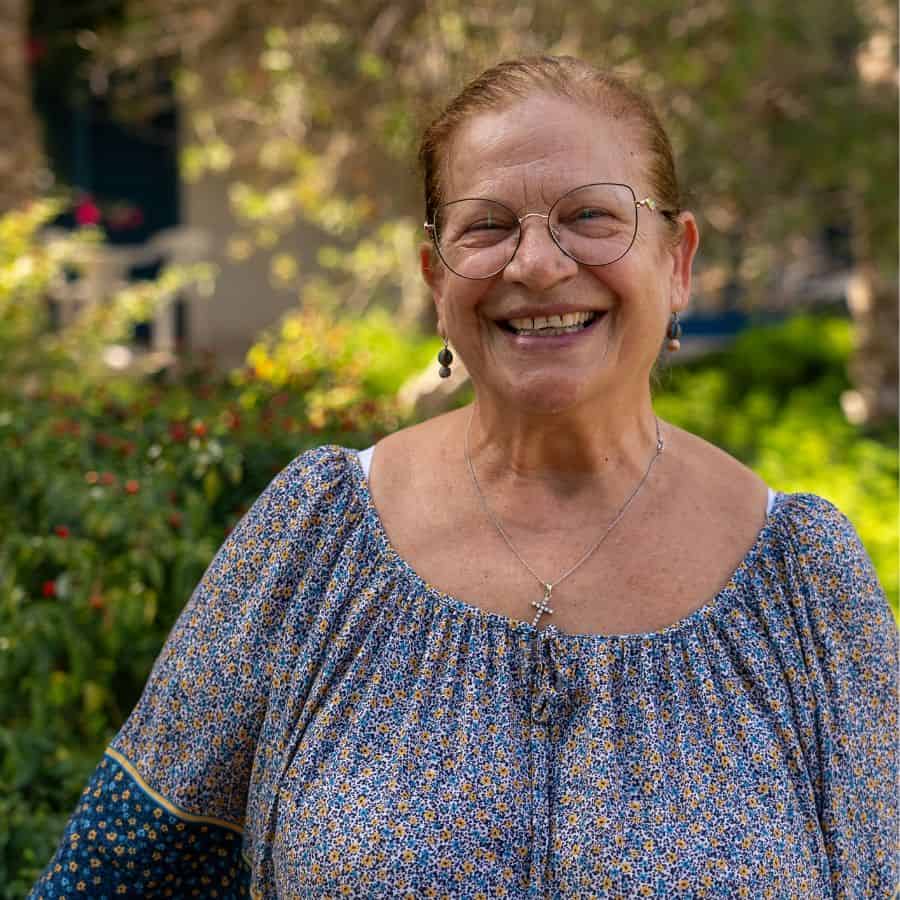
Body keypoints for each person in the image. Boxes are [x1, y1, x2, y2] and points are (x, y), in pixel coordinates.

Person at [30, 55, 897, 899]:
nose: (537, 264)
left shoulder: (804, 581)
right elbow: (116, 872)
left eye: (592, 216)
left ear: (678, 261)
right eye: (486, 226)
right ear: (434, 277)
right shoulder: (315, 536)